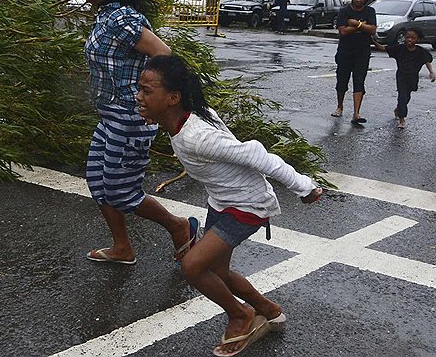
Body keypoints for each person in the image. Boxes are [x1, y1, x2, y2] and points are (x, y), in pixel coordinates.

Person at [135, 55, 323, 357]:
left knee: (193, 267)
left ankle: (241, 315)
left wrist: (305, 187)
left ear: (172, 98)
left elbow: (257, 155)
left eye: (146, 91)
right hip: (223, 201)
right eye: (140, 89)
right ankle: (269, 310)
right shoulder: (185, 118)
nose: (139, 96)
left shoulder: (198, 137)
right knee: (217, 271)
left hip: (248, 205)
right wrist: (154, 116)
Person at [81, 0, 199, 266]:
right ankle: (122, 248)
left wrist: (149, 98)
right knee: (97, 180)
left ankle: (179, 227)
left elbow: (164, 52)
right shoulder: (108, 15)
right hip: (110, 116)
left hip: (130, 117)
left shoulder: (121, 18)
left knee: (121, 191)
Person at [332, 0, 377, 125]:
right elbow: (343, 31)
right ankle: (340, 106)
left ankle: (356, 113)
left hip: (362, 52)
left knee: (359, 81)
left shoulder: (370, 11)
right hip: (345, 51)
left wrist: (355, 24)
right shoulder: (344, 11)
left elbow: (372, 30)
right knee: (342, 80)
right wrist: (362, 25)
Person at [373, 28, 436, 129]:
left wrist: (431, 72)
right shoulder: (400, 48)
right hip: (401, 75)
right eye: (407, 37)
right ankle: (402, 119)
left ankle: (399, 108)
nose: (410, 40)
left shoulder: (421, 51)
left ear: (417, 39)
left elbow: (427, 61)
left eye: (413, 38)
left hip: (413, 77)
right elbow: (384, 48)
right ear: (404, 38)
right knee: (402, 96)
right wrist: (373, 41)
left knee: (407, 96)